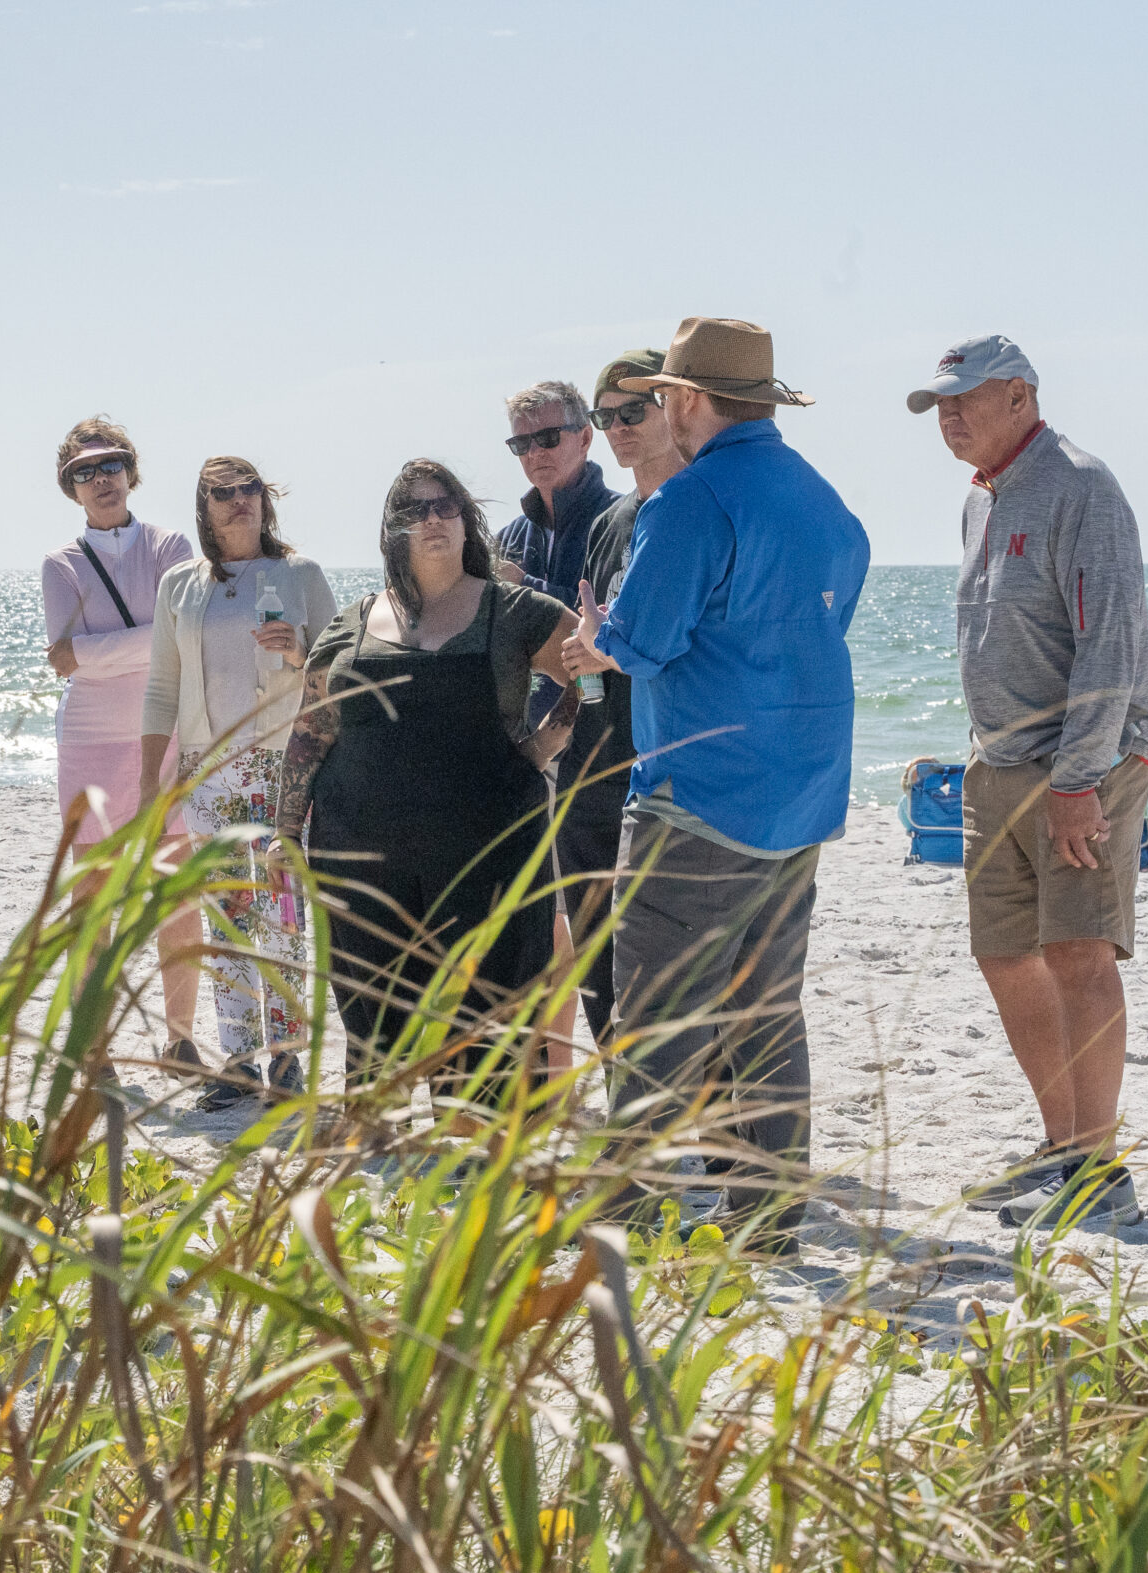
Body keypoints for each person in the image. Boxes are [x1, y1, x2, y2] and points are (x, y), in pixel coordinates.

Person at [561, 317, 870, 1254]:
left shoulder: (691, 501)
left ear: (689, 400)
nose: (657, 410)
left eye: (660, 396)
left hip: (699, 791)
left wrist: (591, 641)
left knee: (658, 1014)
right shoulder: (825, 501)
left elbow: (640, 644)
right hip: (801, 792)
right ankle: (768, 1221)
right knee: (768, 1010)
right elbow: (824, 624)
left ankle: (623, 1222)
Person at [911, 333, 1148, 1230]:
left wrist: (1077, 777)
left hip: (1083, 764)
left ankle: (1100, 1176)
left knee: (1079, 955)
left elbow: (1112, 641)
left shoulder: (1082, 485)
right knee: (1003, 952)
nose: (949, 417)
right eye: (939, 403)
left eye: (965, 398)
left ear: (1020, 395)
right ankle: (1064, 1151)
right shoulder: (981, 500)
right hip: (1000, 763)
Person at [278, 460, 580, 1090]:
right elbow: (311, 729)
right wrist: (285, 831)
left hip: (485, 852)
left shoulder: (515, 611)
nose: (433, 519)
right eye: (414, 509)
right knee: (372, 1013)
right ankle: (386, 1153)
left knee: (485, 1014)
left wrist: (541, 749)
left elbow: (595, 669)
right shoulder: (352, 622)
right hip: (358, 853)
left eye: (445, 506)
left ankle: (476, 1150)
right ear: (393, 531)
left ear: (467, 520)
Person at [139, 457, 337, 1111]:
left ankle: (286, 1059)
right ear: (204, 507)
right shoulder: (180, 585)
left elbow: (339, 674)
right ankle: (240, 1059)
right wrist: (150, 782)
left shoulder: (299, 574)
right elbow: (162, 688)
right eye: (222, 493)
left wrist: (295, 651)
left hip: (280, 765)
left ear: (265, 498)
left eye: (248, 488)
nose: (238, 501)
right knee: (225, 922)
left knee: (281, 916)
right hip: (206, 773)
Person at [40, 417, 205, 1070]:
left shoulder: (170, 545)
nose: (100, 479)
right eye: (84, 471)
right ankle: (94, 1044)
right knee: (94, 899)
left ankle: (181, 1038)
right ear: (70, 487)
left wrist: (95, 650)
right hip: (88, 743)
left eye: (109, 465)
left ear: (130, 473)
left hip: (164, 738)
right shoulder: (61, 564)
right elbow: (65, 662)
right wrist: (139, 645)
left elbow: (182, 633)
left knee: (177, 892)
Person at [554, 349, 680, 1047]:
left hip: (672, 769)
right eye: (607, 416)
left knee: (676, 960)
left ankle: (707, 1126)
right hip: (597, 766)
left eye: (635, 411)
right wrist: (583, 649)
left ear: (678, 406)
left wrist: (609, 647)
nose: (619, 428)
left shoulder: (701, 507)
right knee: (597, 958)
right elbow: (598, 630)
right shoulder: (611, 521)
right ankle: (624, 1106)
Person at [493, 381, 618, 602]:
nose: (534, 452)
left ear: (585, 439)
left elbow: (609, 615)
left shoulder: (622, 521)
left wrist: (523, 585)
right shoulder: (508, 539)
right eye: (521, 443)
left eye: (548, 438)